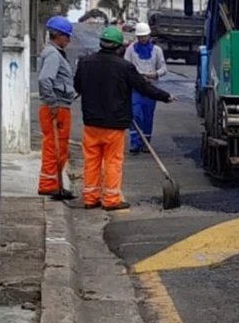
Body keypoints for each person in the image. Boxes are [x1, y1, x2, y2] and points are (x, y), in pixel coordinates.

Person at [74, 26, 175, 211]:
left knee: (91, 161)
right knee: (113, 161)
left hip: (91, 123)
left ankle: (90, 198)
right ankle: (111, 200)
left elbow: (78, 86)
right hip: (114, 124)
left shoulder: (85, 62)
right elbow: (143, 87)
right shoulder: (125, 67)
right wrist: (165, 96)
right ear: (119, 47)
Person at [37, 16, 77, 200]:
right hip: (57, 107)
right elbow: (45, 79)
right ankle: (49, 185)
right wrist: (52, 103)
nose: (68, 40)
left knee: (58, 146)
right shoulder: (53, 54)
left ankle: (54, 183)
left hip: (60, 105)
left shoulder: (55, 52)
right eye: (67, 37)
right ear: (59, 36)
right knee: (55, 147)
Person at [124, 21, 167, 154]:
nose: (143, 39)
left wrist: (156, 74)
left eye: (145, 36)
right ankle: (135, 143)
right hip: (136, 88)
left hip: (150, 88)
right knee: (136, 114)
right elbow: (125, 66)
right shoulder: (131, 49)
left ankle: (145, 143)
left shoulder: (157, 51)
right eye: (140, 37)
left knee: (148, 116)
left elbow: (163, 68)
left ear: (149, 36)